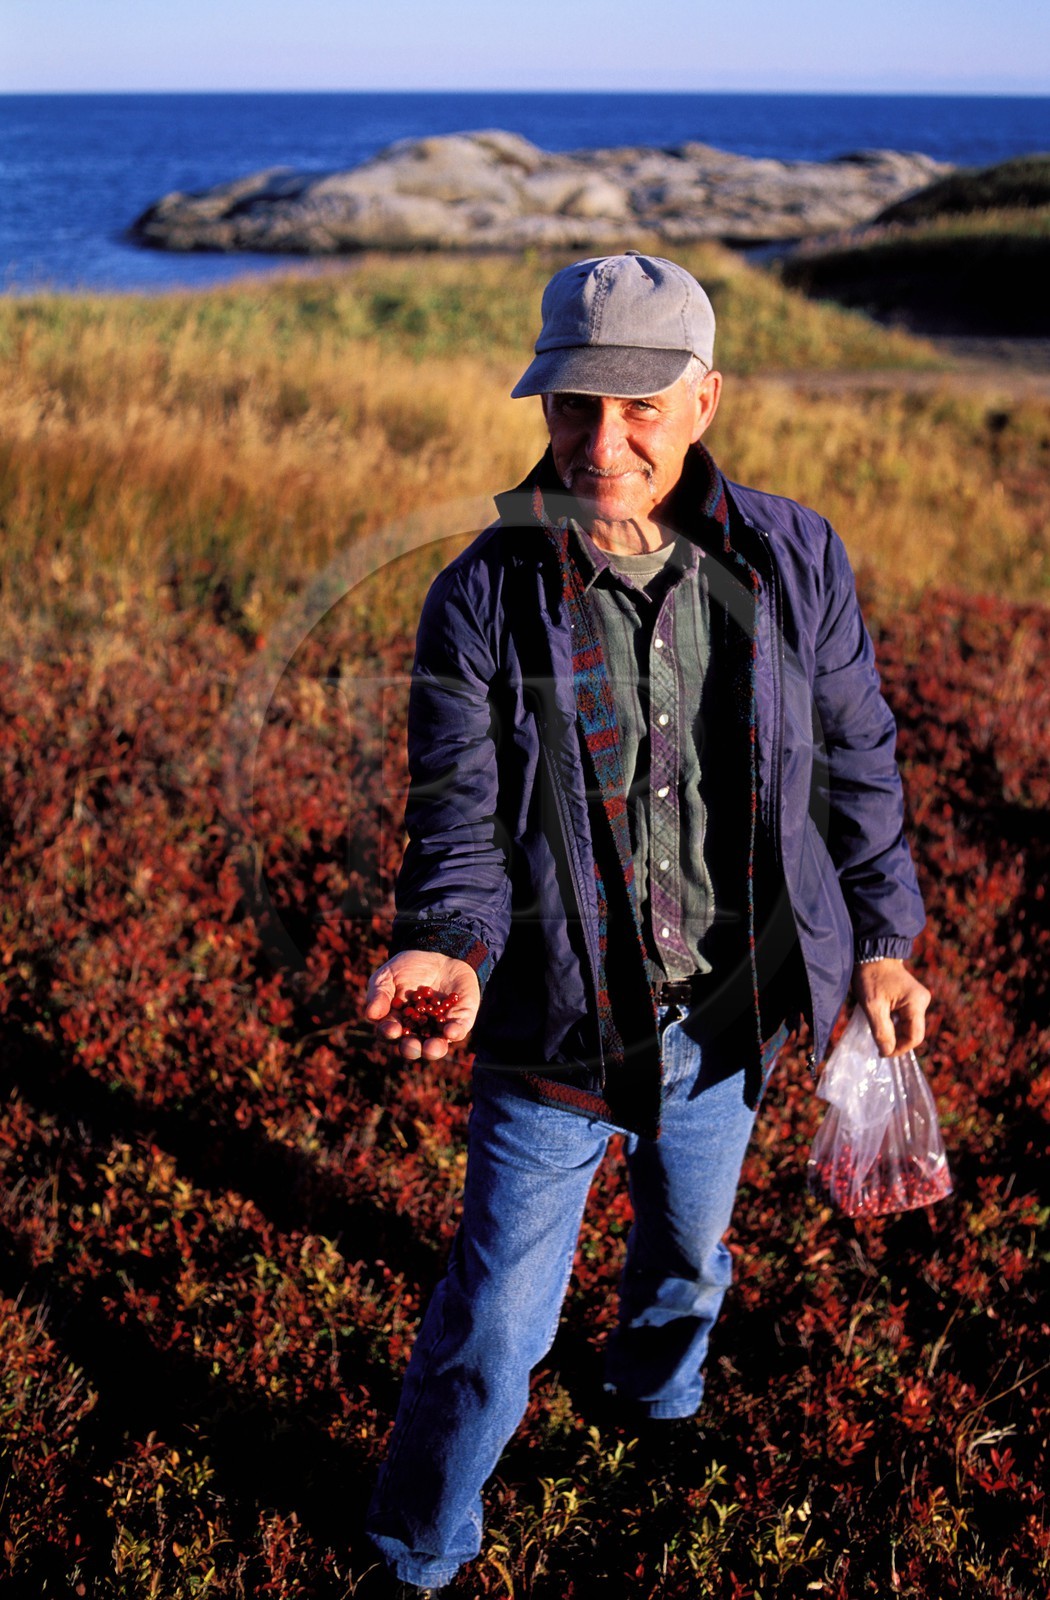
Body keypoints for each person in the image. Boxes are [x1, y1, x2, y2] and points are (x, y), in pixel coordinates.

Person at [361, 252, 930, 1594]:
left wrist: (885, 936)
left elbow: (855, 756)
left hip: (730, 1021)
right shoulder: (481, 596)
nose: (600, 444)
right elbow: (458, 818)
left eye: (638, 411)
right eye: (571, 408)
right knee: (494, 1330)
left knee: (683, 1259)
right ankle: (414, 1555)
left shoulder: (796, 557)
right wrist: (444, 941)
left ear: (706, 400)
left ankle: (652, 1413)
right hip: (555, 1027)